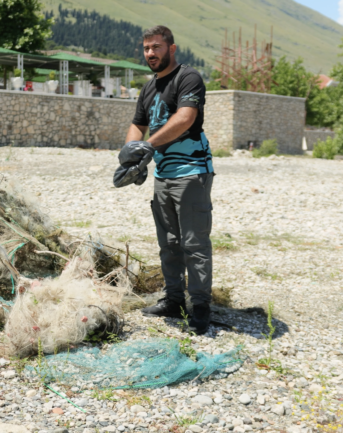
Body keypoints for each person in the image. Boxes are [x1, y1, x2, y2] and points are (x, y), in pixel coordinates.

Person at [125, 25, 214, 335]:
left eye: (156, 47)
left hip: (192, 172)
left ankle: (200, 307)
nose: (150, 53)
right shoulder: (148, 88)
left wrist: (148, 147)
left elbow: (185, 118)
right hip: (162, 175)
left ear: (171, 48)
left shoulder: (188, 78)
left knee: (194, 244)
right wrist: (130, 155)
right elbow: (137, 125)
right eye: (146, 48)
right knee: (169, 244)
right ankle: (174, 300)